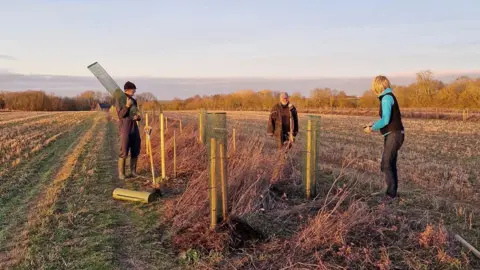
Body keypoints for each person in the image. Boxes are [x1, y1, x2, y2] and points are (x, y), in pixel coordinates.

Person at [364, 75, 405, 202]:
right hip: (395, 134)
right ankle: (392, 192)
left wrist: (372, 128)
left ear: (377, 86)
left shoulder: (386, 98)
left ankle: (390, 195)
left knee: (386, 164)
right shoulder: (389, 96)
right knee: (390, 164)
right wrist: (374, 123)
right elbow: (386, 119)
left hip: (394, 134)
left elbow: (386, 120)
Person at [116, 81, 142, 180]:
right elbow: (120, 115)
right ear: (127, 90)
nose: (134, 92)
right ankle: (121, 174)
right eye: (133, 90)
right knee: (124, 149)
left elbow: (137, 114)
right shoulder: (120, 100)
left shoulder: (134, 100)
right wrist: (127, 106)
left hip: (134, 127)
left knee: (135, 148)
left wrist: (138, 117)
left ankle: (133, 172)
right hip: (125, 127)